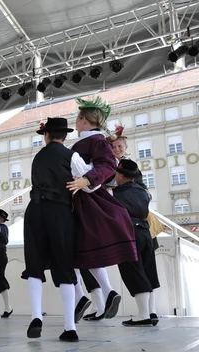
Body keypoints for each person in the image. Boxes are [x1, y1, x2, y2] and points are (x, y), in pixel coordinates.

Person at [66, 97, 137, 323]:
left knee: (72, 251)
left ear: (84, 121)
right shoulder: (89, 141)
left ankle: (82, 298)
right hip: (81, 199)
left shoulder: (95, 141)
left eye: (77, 120)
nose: (75, 124)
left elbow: (108, 165)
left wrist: (86, 180)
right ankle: (105, 292)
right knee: (82, 252)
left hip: (86, 201)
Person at [22, 117, 93, 342]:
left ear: (47, 135)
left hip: (34, 210)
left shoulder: (38, 157)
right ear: (65, 136)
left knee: (34, 264)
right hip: (59, 211)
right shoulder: (70, 155)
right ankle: (70, 327)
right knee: (64, 265)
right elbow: (89, 183)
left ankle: (36, 317)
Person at [113, 160, 160, 326]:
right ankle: (150, 313)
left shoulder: (116, 193)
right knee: (147, 272)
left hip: (129, 234)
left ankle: (143, 315)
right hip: (145, 233)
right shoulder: (143, 191)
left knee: (133, 272)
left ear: (121, 175)